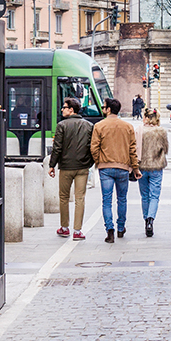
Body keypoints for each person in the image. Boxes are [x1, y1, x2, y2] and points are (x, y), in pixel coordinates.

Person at [90, 98, 140, 243]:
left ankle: (109, 229)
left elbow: (94, 147)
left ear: (109, 109)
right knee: (122, 199)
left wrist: (99, 161)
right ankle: (121, 228)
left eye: (104, 107)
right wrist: (135, 168)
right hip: (123, 167)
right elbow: (133, 149)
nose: (103, 109)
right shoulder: (128, 126)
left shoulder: (99, 126)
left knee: (106, 200)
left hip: (105, 167)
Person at [49, 97, 95, 241]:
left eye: (64, 107)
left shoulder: (61, 125)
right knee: (80, 198)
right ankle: (77, 231)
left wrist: (52, 165)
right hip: (82, 167)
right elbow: (93, 147)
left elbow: (57, 148)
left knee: (64, 197)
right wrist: (89, 163)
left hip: (66, 167)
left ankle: (64, 228)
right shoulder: (88, 125)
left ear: (71, 110)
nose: (62, 109)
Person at [138, 107, 168, 237]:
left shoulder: (139, 131)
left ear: (146, 118)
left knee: (144, 196)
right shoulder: (161, 131)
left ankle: (146, 220)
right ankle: (151, 219)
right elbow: (165, 149)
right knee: (154, 196)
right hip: (156, 167)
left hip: (142, 167)